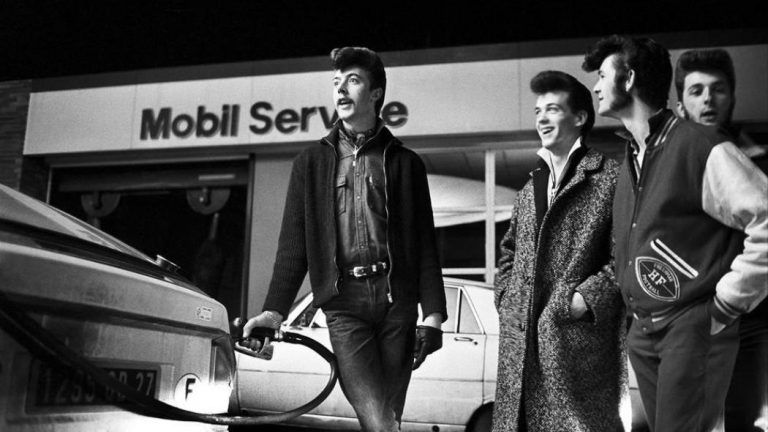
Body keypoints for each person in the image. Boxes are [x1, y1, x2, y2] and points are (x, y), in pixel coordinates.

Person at [240, 46, 447, 432]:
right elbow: (293, 247)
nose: (340, 89)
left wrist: (433, 316)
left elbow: (425, 245)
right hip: (344, 305)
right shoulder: (310, 164)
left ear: (375, 93)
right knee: (375, 413)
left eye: (352, 81)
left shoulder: (406, 164)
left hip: (397, 303)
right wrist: (274, 312)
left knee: (388, 414)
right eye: (336, 82)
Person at [582, 35, 768, 432]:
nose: (596, 87)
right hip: (644, 332)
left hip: (690, 327)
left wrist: (727, 303)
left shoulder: (701, 146)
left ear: (629, 78)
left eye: (603, 75)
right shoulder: (632, 158)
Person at [492, 70, 625, 432]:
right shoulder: (530, 187)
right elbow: (508, 251)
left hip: (574, 346)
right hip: (520, 346)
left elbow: (624, 258)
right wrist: (507, 297)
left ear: (579, 117)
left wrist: (582, 301)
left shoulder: (610, 178)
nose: (542, 119)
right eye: (538, 111)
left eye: (552, 109)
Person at [675, 48, 768, 432]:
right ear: (680, 104)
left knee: (741, 420)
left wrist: (728, 303)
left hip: (749, 319)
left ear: (732, 97)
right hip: (683, 320)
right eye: (696, 91)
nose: (708, 100)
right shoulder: (666, 164)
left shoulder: (758, 163)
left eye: (718, 89)